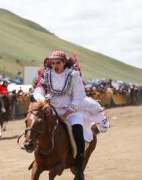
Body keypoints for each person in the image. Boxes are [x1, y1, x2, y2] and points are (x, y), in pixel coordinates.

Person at [33, 51, 110, 180]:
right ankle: (37, 156)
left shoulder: (73, 76)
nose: (55, 66)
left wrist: (67, 113)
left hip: (72, 111)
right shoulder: (47, 74)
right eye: (53, 63)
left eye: (58, 63)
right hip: (51, 109)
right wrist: (42, 100)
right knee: (36, 125)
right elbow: (39, 89)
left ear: (64, 63)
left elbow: (78, 97)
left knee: (78, 133)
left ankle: (79, 169)